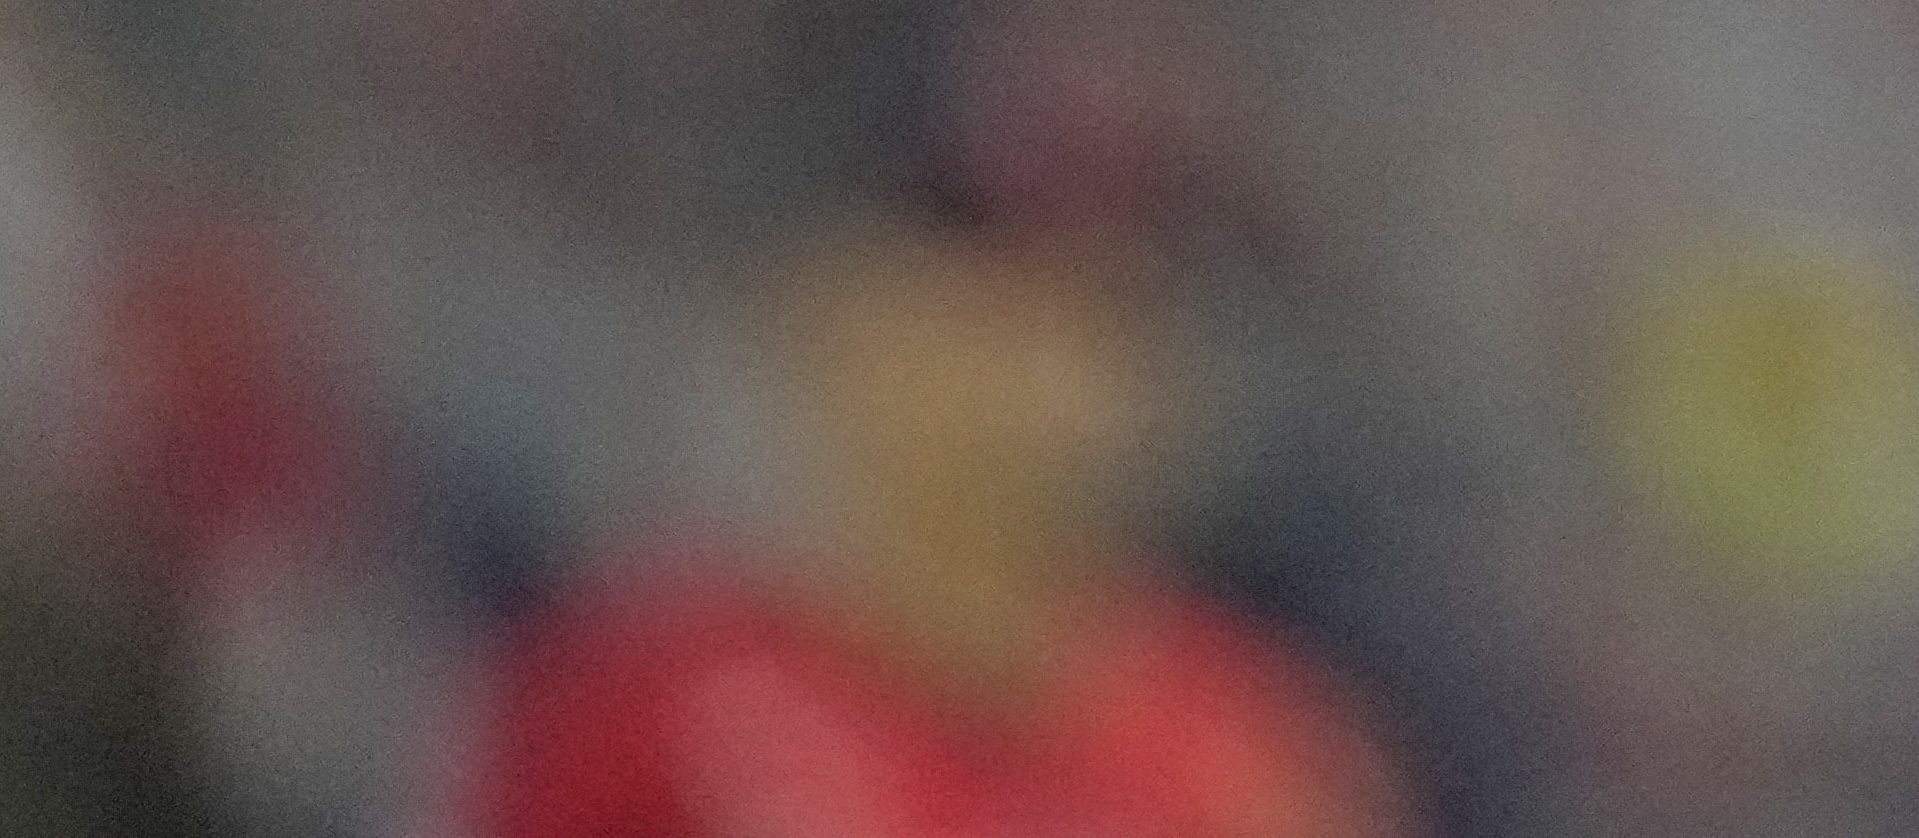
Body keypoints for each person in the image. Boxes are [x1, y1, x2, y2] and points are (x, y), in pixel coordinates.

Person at [454, 200, 1392, 838]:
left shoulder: (1238, 739)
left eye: (1068, 323)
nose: (1018, 386)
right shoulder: (652, 684)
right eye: (961, 319)